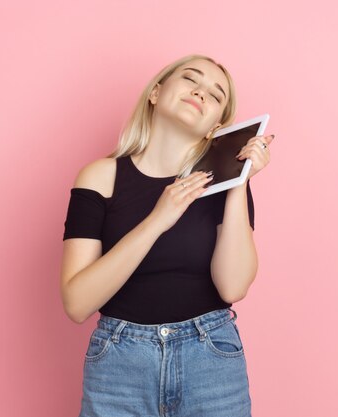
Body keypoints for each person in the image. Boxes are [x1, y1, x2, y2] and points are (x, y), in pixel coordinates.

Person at [60, 54, 274, 417]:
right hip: (119, 362)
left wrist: (239, 181)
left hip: (211, 358)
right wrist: (158, 219)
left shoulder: (226, 187)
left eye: (216, 94)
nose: (201, 92)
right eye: (191, 79)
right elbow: (77, 303)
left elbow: (233, 287)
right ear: (156, 93)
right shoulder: (99, 177)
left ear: (214, 126)